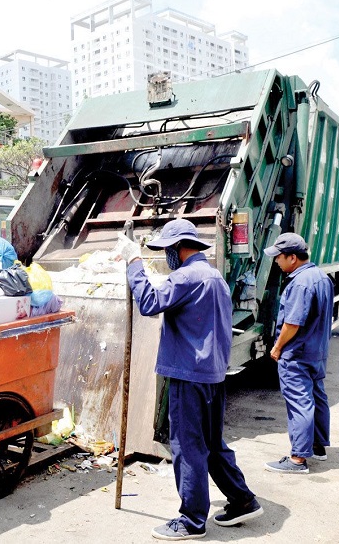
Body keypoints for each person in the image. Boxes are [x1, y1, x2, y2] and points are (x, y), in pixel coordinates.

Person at [117, 219, 263, 541]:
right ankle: (242, 499)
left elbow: (149, 303)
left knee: (188, 446)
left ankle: (191, 520)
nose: (167, 256)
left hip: (188, 374)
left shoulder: (184, 277)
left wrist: (134, 264)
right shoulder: (215, 279)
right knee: (211, 445)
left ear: (178, 248)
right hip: (213, 375)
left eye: (168, 250)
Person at [263, 232, 333, 474]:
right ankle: (318, 447)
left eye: (279, 257)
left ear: (292, 258)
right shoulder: (321, 277)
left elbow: (292, 323)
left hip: (298, 353)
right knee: (317, 396)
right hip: (317, 351)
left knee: (299, 403)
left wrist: (277, 347)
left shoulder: (300, 283)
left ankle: (297, 459)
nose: (276, 261)